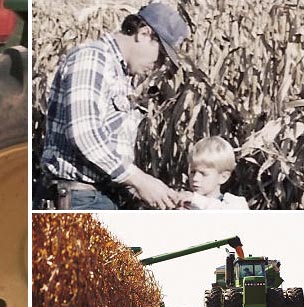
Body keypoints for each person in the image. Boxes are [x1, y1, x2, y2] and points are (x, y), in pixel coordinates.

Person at [38, 3, 190, 209]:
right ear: (144, 34)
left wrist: (158, 193)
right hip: (78, 200)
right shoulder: (93, 59)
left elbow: (109, 153)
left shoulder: (120, 75)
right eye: (161, 55)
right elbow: (85, 134)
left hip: (95, 197)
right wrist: (140, 180)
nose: (159, 65)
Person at [178, 136, 249, 209]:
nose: (195, 178)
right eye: (193, 172)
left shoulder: (235, 204)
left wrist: (196, 200)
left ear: (223, 177)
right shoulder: (186, 204)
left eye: (203, 174)